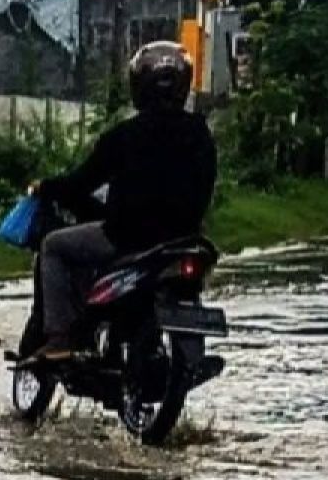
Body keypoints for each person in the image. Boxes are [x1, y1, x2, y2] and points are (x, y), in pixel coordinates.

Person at [30, 41, 217, 360]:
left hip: (126, 240)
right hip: (184, 241)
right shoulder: (201, 135)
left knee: (53, 246)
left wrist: (44, 187)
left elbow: (81, 183)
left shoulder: (124, 136)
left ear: (138, 87)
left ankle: (60, 338)